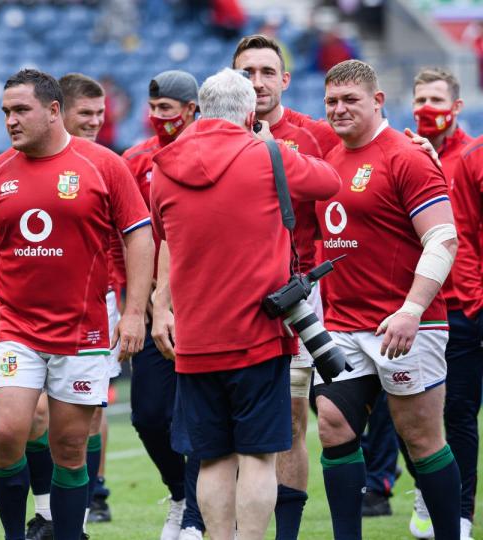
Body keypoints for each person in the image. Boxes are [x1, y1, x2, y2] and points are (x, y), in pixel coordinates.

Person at [149, 68, 340, 540]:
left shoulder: (163, 167)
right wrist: (272, 142)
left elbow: (163, 233)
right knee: (258, 456)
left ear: (201, 111)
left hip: (195, 341)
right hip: (258, 336)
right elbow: (331, 182)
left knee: (212, 458)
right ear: (249, 113)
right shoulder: (268, 153)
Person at [0, 68, 154, 540]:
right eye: (6, 111)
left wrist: (133, 311)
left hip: (83, 330)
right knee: (7, 433)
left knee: (70, 446)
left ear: (53, 111)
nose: (11, 120)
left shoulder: (102, 165)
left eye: (21, 110)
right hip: (16, 329)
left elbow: (139, 236)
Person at [313, 59, 462, 540]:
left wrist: (412, 310)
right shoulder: (327, 162)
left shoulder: (406, 155)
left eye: (350, 100)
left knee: (420, 438)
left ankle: (447, 532)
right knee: (333, 422)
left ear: (378, 101)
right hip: (343, 324)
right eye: (332, 101)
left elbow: (443, 239)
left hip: (405, 325)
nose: (339, 109)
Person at [231, 34, 342, 540]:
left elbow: (364, 157)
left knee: (293, 419)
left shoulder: (315, 135)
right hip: (227, 298)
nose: (257, 83)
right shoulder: (211, 135)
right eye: (247, 73)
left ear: (285, 80)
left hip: (293, 297)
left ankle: (286, 534)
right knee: (233, 426)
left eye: (267, 72)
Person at [122, 69, 205, 540]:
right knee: (148, 415)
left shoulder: (216, 155)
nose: (157, 118)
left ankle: (197, 513)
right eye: (152, 109)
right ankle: (180, 493)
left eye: (167, 110)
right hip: (156, 311)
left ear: (191, 109)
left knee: (198, 416)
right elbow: (125, 238)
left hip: (207, 307)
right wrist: (133, 301)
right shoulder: (136, 160)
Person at [402, 66, 477, 540]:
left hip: (466, 306)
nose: (427, 109)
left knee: (459, 413)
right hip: (421, 308)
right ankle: (429, 492)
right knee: (411, 414)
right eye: (420, 100)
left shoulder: (475, 155)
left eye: (435, 100)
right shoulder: (407, 156)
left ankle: (461, 513)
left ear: (456, 106)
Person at [58, 72, 122, 529]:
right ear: (58, 111)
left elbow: (133, 235)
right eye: (86, 113)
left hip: (99, 300)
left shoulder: (108, 163)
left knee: (92, 403)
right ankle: (49, 502)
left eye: (100, 114)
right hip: (37, 303)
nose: (96, 122)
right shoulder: (27, 160)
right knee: (37, 413)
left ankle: (93, 493)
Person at [450, 91, 483, 540]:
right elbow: (464, 236)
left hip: (470, 303)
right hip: (462, 310)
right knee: (457, 413)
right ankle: (458, 511)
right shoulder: (472, 157)